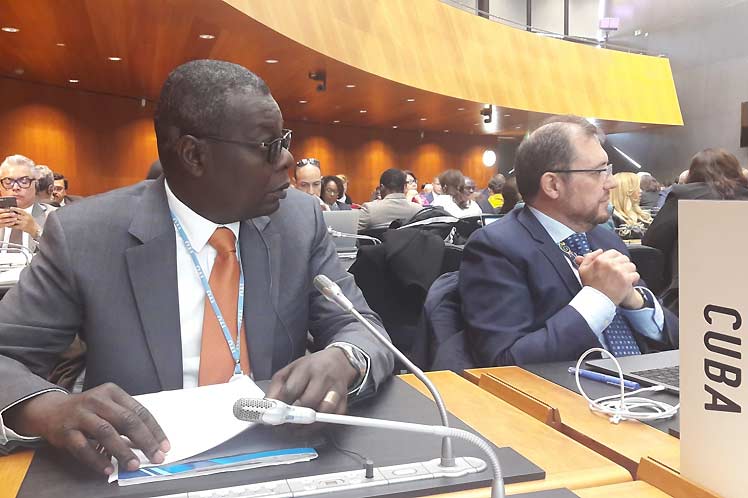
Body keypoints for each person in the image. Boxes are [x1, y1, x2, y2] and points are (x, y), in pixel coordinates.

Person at [0, 60, 393, 474]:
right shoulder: (85, 235)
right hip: (142, 467)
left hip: (283, 456)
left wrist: (343, 358)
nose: (287, 161)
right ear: (194, 155)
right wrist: (49, 408)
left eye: (285, 141)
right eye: (268, 145)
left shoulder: (298, 220)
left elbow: (362, 329)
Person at [460, 115, 678, 366]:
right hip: (577, 387)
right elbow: (505, 362)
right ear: (553, 185)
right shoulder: (496, 248)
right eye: (598, 172)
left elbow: (679, 340)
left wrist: (634, 301)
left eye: (608, 170)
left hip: (651, 380)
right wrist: (599, 298)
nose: (611, 182)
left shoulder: (606, 240)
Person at [643, 147, 748, 315]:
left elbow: (653, 241)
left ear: (693, 173)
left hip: (689, 294)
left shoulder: (683, 196)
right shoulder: (744, 196)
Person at [0, 154, 56, 253]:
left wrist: (36, 231)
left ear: (36, 185)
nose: (15, 187)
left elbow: (64, 254)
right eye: (8, 181)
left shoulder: (55, 216)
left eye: (24, 181)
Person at [357, 168, 423, 231]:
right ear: (405, 187)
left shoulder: (370, 209)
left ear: (382, 187)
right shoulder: (418, 210)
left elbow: (352, 232)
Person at [610, 172, 652, 239]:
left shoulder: (642, 215)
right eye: (637, 188)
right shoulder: (611, 219)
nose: (640, 191)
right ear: (626, 191)